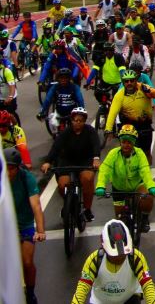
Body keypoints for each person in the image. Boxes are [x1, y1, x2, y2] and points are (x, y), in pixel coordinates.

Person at [71, 219, 155, 304]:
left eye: (123, 254)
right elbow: (81, 290)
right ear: (105, 249)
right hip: (100, 301)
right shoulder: (94, 260)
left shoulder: (136, 258)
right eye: (114, 255)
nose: (119, 258)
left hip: (129, 298)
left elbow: (148, 286)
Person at [95, 125, 155, 232]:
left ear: (133, 143)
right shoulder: (113, 154)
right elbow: (104, 170)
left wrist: (151, 187)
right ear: (120, 142)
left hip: (137, 185)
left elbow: (145, 172)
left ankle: (144, 219)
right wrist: (100, 186)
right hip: (118, 188)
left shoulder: (139, 154)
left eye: (129, 142)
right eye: (124, 142)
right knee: (120, 221)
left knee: (147, 198)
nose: (126, 145)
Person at [40, 107, 101, 222]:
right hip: (67, 161)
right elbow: (56, 147)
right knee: (63, 184)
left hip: (85, 160)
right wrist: (48, 161)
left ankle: (87, 209)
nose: (78, 123)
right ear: (72, 120)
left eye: (81, 120)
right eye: (75, 120)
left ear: (84, 121)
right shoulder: (65, 133)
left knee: (87, 178)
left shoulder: (90, 131)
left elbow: (96, 145)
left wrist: (96, 158)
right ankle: (68, 203)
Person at [4, 148, 45, 304]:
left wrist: (40, 231)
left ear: (18, 167)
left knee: (27, 262)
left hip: (24, 225)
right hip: (5, 225)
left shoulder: (26, 178)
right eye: (6, 168)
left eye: (12, 168)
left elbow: (36, 206)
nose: (8, 173)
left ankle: (30, 292)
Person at [105, 70, 155, 163]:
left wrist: (150, 91)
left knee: (146, 152)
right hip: (128, 127)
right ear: (123, 82)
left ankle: (147, 172)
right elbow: (112, 112)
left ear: (136, 80)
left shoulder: (143, 87)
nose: (129, 83)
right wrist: (108, 129)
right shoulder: (119, 95)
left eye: (132, 80)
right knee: (128, 152)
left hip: (145, 125)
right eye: (126, 81)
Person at [39, 68, 85, 134]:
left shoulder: (74, 87)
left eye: (65, 78)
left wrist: (82, 112)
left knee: (78, 131)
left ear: (69, 79)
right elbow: (48, 99)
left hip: (72, 114)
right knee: (54, 128)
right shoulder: (55, 87)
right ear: (58, 79)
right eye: (61, 78)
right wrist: (42, 112)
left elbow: (80, 100)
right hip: (59, 114)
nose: (63, 80)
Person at [0, 59, 18, 123]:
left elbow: (12, 86)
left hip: (9, 98)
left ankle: (16, 129)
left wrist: (10, 97)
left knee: (9, 116)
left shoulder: (6, 71)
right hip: (1, 98)